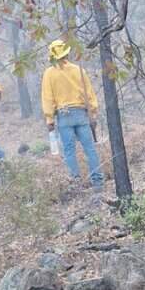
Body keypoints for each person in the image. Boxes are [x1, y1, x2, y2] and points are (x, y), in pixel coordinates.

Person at [41, 41, 104, 188]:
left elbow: (48, 98)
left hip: (64, 116)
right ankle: (98, 182)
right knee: (90, 149)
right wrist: (93, 113)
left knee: (69, 151)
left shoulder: (49, 74)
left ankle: (76, 182)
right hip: (81, 114)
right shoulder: (78, 70)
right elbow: (89, 94)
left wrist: (49, 119)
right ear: (66, 53)